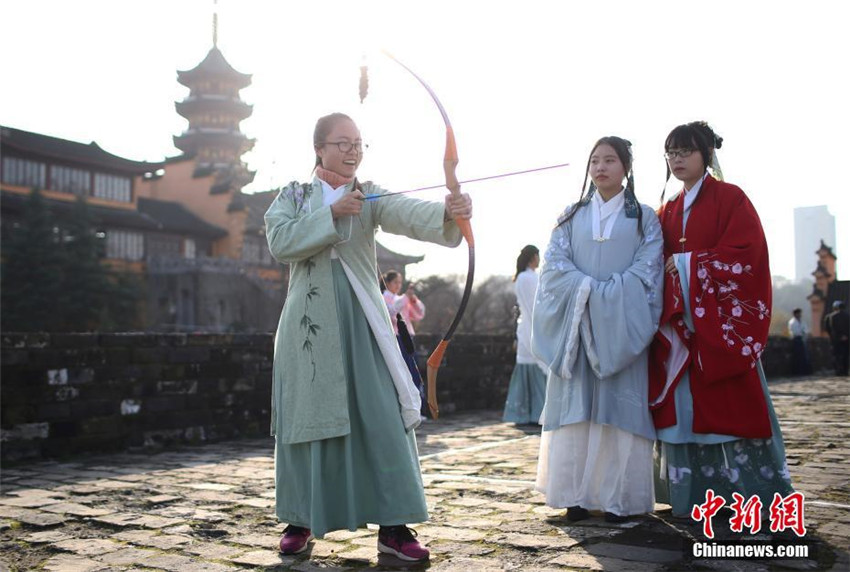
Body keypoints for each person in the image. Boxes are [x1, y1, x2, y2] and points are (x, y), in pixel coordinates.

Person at [265, 112, 472, 561]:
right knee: (308, 421)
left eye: (358, 142)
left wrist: (449, 212)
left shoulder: (369, 193)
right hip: (308, 330)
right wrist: (330, 213)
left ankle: (394, 527)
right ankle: (300, 520)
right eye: (342, 143)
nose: (353, 150)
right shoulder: (294, 196)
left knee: (383, 417)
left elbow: (410, 213)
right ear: (319, 147)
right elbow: (280, 242)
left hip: (364, 323)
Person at [649, 121, 793, 518]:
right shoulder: (666, 210)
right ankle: (690, 496)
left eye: (685, 151)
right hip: (680, 330)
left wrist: (687, 265)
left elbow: (746, 254)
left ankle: (750, 497)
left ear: (707, 154)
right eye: (671, 153)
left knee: (732, 405)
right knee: (684, 410)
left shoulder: (731, 198)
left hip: (717, 329)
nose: (677, 159)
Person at [533, 136, 663, 522]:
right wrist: (587, 291)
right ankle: (575, 495)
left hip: (622, 326)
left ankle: (618, 499)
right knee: (577, 410)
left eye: (609, 160)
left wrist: (607, 297)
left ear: (626, 167)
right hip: (577, 328)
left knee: (618, 412)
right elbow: (554, 267)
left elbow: (649, 270)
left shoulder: (645, 218)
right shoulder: (571, 215)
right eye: (594, 161)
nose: (601, 167)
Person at [502, 245, 547, 425]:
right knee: (536, 369)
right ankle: (537, 413)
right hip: (531, 326)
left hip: (525, 327)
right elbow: (533, 306)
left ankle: (524, 413)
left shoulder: (522, 277)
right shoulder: (529, 277)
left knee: (527, 369)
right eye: (537, 256)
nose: (539, 259)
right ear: (532, 257)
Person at [382, 270, 427, 413]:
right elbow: (390, 312)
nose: (398, 285)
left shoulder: (401, 298)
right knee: (403, 373)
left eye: (400, 282)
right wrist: (405, 298)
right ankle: (408, 409)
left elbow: (419, 314)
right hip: (396, 337)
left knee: (413, 372)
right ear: (387, 283)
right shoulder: (384, 297)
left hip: (407, 337)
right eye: (395, 282)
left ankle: (417, 408)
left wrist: (413, 299)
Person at [824, 301, 850, 376]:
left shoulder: (831, 316)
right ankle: (845, 371)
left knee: (837, 355)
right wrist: (846, 336)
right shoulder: (848, 316)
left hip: (836, 339)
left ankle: (838, 371)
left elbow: (831, 328)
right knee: (846, 355)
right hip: (847, 339)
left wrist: (838, 336)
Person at [787, 308, 811, 375]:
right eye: (798, 313)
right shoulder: (792, 322)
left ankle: (804, 371)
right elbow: (795, 332)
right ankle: (798, 372)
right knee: (798, 356)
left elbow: (806, 329)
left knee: (804, 356)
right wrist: (802, 332)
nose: (800, 315)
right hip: (796, 339)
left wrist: (804, 332)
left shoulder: (802, 321)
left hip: (802, 339)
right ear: (795, 314)